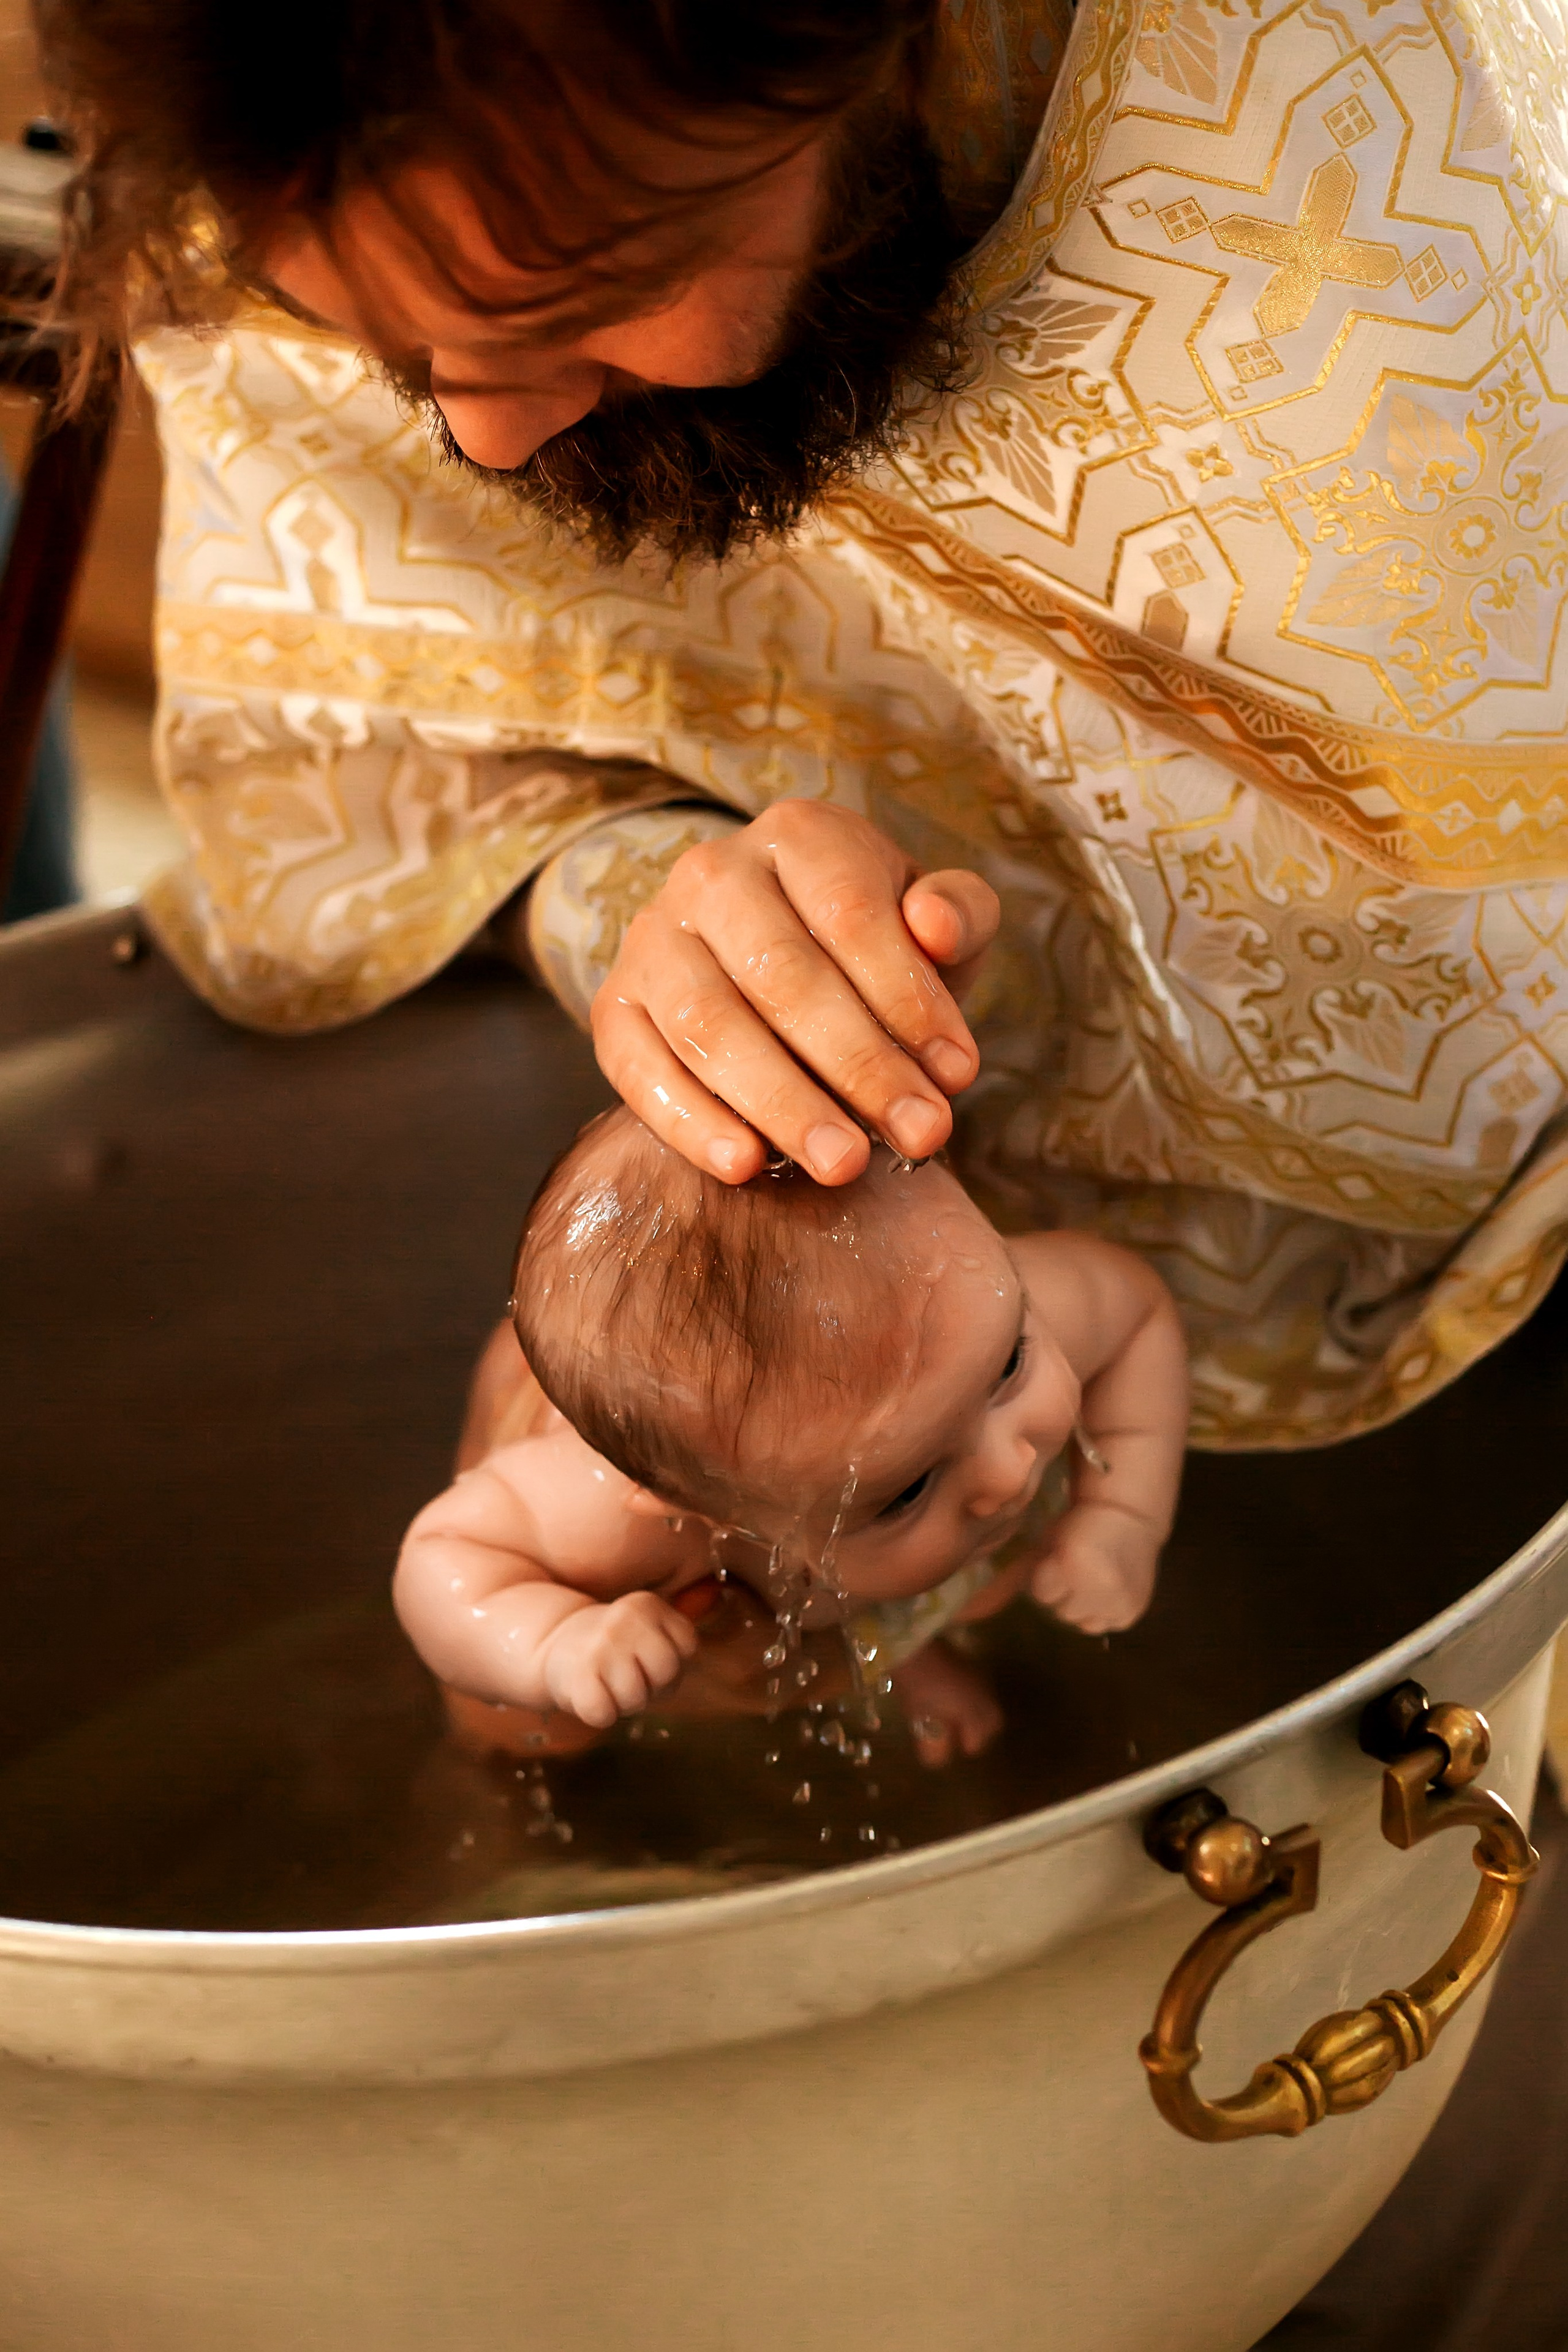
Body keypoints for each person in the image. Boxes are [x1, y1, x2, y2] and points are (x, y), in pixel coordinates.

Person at [31, 0, 1568, 1453]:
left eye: (591, 289)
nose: (483, 433)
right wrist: (638, 893)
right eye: (379, 335)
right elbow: (363, 746)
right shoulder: (241, 58)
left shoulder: (1400, 162)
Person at [394, 1106, 1188, 1762]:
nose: (1013, 1469)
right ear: (694, 1505)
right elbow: (443, 1560)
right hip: (600, 1469)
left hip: (833, 1565)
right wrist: (555, 1644)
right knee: (521, 1728)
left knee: (966, 1578)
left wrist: (1122, 1517)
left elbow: (1139, 1310)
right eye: (906, 1490)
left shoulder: (979, 1311)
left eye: (1010, 1368)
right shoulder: (606, 1513)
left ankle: (901, 1646)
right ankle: (494, 1779)